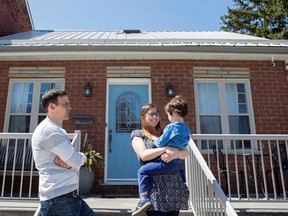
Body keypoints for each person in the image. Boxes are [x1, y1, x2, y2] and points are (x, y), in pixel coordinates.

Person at [31, 89, 96, 216]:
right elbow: (75, 160)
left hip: (69, 196)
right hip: (59, 199)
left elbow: (70, 161)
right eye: (65, 104)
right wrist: (80, 157)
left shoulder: (57, 130)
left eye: (69, 104)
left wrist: (71, 160)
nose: (69, 108)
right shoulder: (49, 130)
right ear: (51, 107)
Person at [133, 96, 191, 216]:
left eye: (157, 114)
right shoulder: (138, 134)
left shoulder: (166, 131)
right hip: (156, 191)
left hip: (174, 188)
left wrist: (176, 154)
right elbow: (143, 155)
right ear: (143, 117)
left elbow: (186, 152)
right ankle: (143, 200)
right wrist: (165, 149)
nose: (155, 117)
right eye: (151, 114)